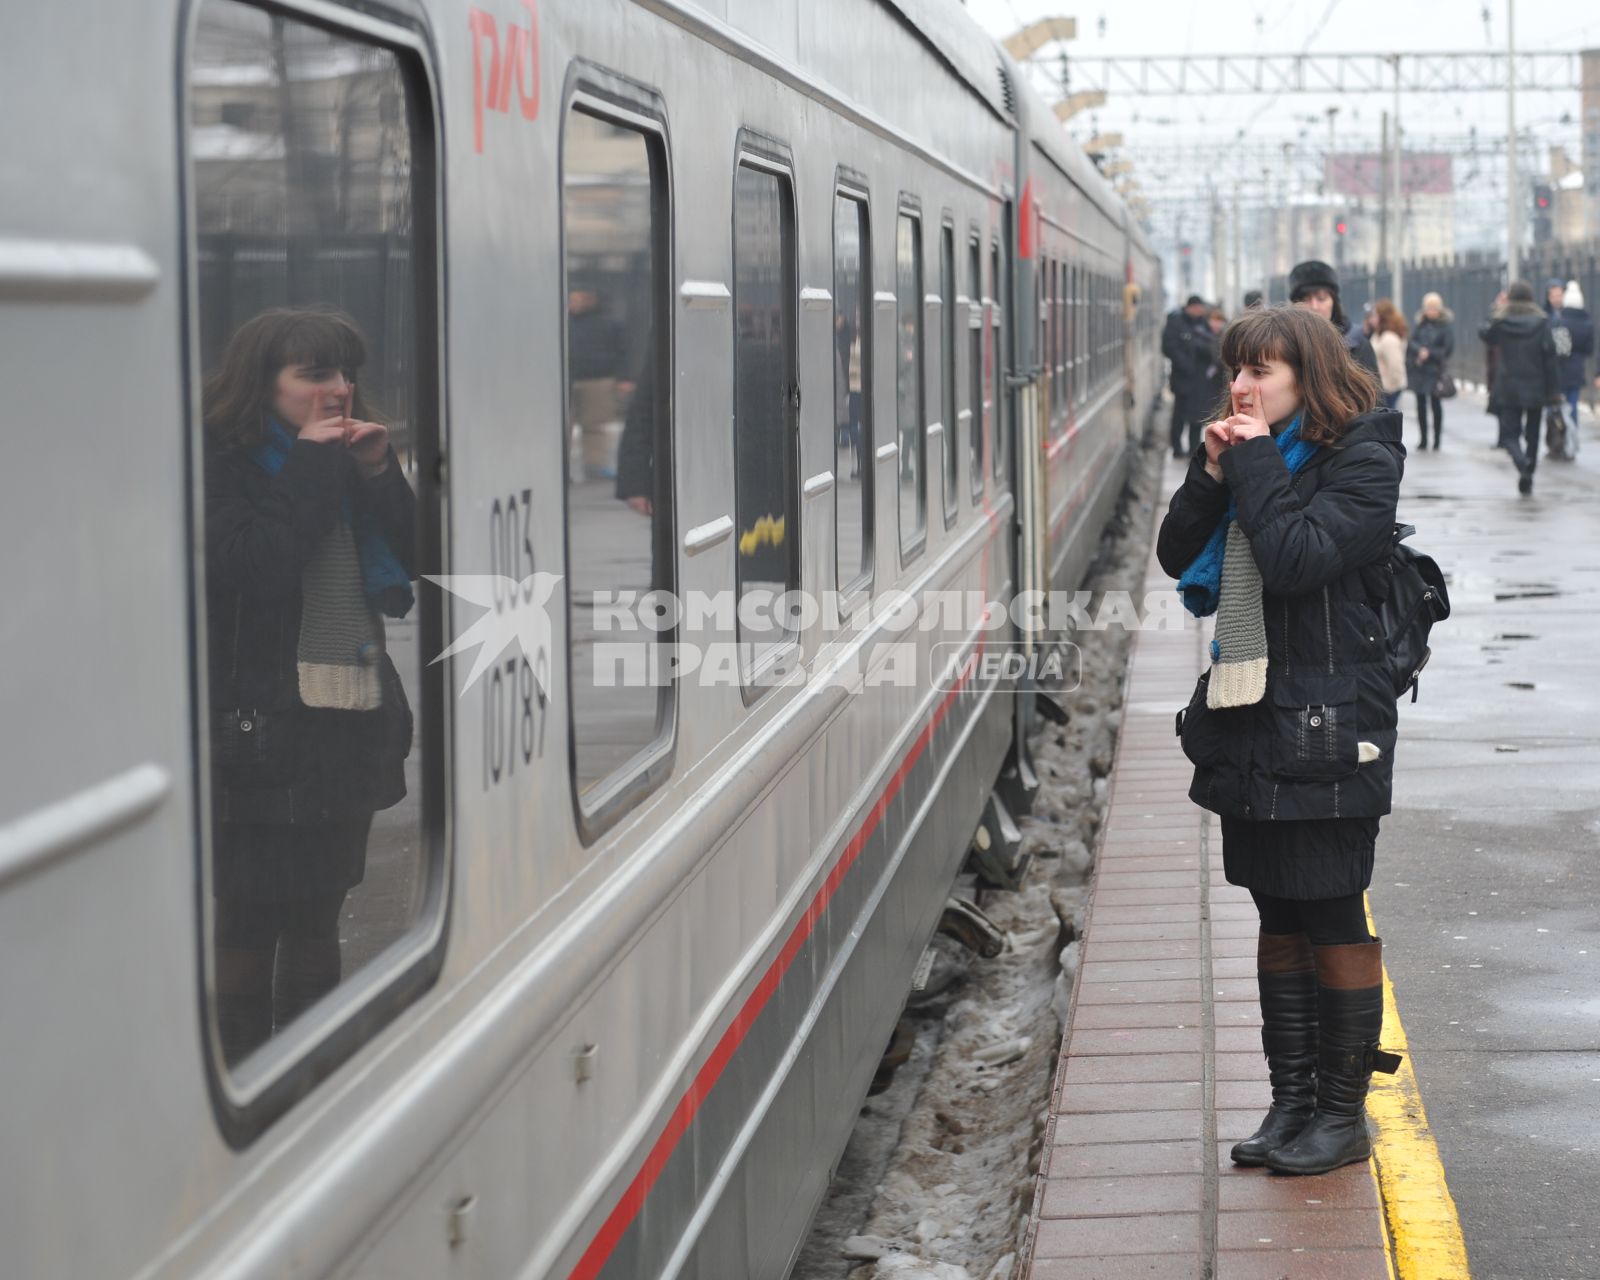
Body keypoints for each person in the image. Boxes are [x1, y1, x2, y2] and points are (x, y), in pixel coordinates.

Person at [1157, 305, 1404, 1177]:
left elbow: (1298, 558)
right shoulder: (1254, 458)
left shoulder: (1364, 461)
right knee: (1276, 909)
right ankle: (1291, 1100)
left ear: (1309, 375)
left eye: (1261, 369)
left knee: (1332, 909)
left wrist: (1254, 459)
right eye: (1237, 368)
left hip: (1332, 725)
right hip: (1254, 715)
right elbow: (1175, 551)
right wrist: (1212, 472)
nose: (1241, 384)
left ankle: (1342, 1115)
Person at [202, 306, 416, 1063]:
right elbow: (255, 567)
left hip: (343, 723)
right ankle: (243, 1078)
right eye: (316, 373)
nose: (340, 388)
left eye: (347, 372)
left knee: (320, 917)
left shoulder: (345, 457)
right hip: (257, 736)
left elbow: (414, 567)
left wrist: (377, 472)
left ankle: (310, 1082)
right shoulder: (218, 464)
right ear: (263, 385)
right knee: (249, 923)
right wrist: (316, 465)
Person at [1480, 280, 1560, 495]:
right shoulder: (1541, 322)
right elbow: (1550, 356)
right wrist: (1553, 391)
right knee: (1532, 433)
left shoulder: (1502, 321)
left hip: (1508, 385)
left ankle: (1521, 462)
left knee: (1509, 435)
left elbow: (1485, 334)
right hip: (1536, 384)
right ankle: (1529, 472)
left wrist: (1497, 309)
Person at [1288, 259, 1380, 379]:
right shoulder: (1285, 345)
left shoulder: (1356, 344)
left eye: (1321, 298)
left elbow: (1374, 395)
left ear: (1334, 302)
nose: (1314, 307)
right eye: (1305, 300)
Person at [1546, 279, 1595, 459]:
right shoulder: (1587, 322)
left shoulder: (1561, 321)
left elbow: (1560, 351)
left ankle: (1559, 443)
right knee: (1572, 408)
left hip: (1560, 371)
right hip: (1577, 370)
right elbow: (1589, 349)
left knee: (1557, 409)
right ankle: (1571, 443)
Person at [1162, 295, 1213, 458]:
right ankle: (1176, 448)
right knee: (1179, 415)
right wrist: (1185, 364)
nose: (1200, 311)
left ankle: (1193, 449)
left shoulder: (1203, 323)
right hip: (1182, 378)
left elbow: (1211, 346)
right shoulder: (1176, 322)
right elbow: (1168, 347)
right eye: (1197, 308)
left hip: (1200, 380)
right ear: (1189, 307)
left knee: (1196, 415)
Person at [1406, 292, 1455, 451]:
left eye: (1434, 308)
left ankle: (1437, 439)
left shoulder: (1445, 327)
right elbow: (1411, 342)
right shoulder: (1420, 325)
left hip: (1435, 370)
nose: (1431, 311)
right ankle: (1424, 439)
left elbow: (1447, 348)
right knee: (1420, 405)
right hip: (1420, 370)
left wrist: (1430, 353)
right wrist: (1419, 350)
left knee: (1435, 404)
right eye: (1429, 308)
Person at [1371, 298, 1409, 415]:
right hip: (1382, 388)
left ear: (1382, 317)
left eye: (1375, 315)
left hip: (1388, 389)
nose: (1373, 318)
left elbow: (1396, 366)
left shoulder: (1389, 339)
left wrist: (1388, 389)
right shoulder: (1379, 334)